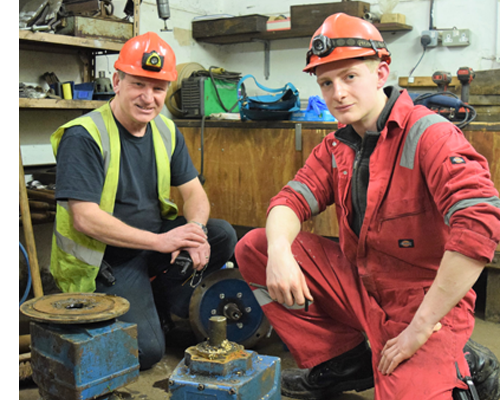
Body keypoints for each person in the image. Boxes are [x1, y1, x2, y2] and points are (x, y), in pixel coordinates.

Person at [235, 13, 500, 400]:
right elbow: (288, 201)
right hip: (362, 286)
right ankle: (344, 360)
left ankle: (463, 361)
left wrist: (420, 328)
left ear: (381, 73)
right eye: (326, 82)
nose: (338, 93)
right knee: (255, 246)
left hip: (423, 302)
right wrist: (278, 252)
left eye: (350, 77)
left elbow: (478, 226)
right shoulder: (337, 146)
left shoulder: (431, 135)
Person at [50, 32, 237, 370]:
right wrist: (162, 240)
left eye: (158, 88)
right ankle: (148, 308)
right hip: (107, 259)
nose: (148, 98)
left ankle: (159, 302)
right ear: (117, 81)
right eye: (139, 84)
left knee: (221, 233)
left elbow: (194, 192)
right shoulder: (84, 136)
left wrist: (194, 231)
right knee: (146, 353)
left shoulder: (165, 130)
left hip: (153, 246)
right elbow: (85, 218)